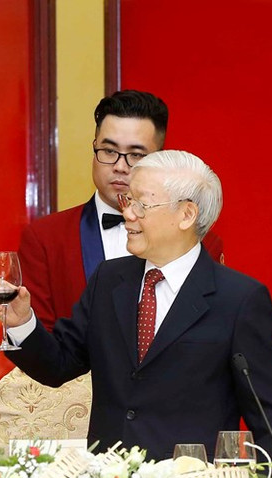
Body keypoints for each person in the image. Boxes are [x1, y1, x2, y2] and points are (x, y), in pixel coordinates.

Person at [0, 150, 272, 478]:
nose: (127, 214)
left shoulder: (238, 299)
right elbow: (59, 364)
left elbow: (271, 419)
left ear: (186, 214)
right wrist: (22, 323)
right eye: (126, 200)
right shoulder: (110, 280)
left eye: (140, 205)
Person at [18, 90, 225, 331]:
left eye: (136, 155)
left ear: (159, 158)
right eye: (109, 151)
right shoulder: (46, 237)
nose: (119, 166)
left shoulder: (200, 242)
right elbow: (42, 343)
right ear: (94, 149)